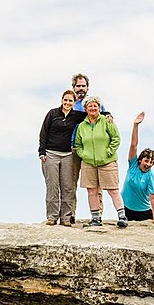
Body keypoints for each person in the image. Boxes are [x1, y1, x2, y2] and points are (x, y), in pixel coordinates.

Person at [74, 95, 128, 228]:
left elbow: (116, 138)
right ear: (86, 108)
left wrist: (108, 152)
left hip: (107, 162)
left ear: (99, 108)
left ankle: (122, 217)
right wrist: (83, 155)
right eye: (90, 106)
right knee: (92, 191)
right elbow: (78, 144)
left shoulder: (107, 121)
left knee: (113, 190)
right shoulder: (82, 126)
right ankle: (95, 219)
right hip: (88, 163)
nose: (93, 108)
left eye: (95, 106)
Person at [38, 90, 86, 226]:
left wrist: (107, 114)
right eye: (65, 100)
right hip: (50, 154)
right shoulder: (52, 113)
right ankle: (52, 217)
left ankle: (65, 218)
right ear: (62, 100)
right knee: (52, 187)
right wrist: (41, 151)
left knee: (68, 187)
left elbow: (92, 113)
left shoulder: (77, 116)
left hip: (68, 155)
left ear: (74, 102)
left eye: (70, 101)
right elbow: (43, 132)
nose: (67, 103)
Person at [70, 73, 113, 222]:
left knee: (96, 184)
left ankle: (98, 215)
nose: (81, 88)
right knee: (71, 182)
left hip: (94, 149)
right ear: (73, 87)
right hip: (74, 147)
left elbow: (107, 117)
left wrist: (109, 115)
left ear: (87, 87)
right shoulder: (70, 103)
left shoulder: (95, 104)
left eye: (83, 86)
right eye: (78, 86)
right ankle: (70, 215)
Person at [121, 112, 154, 225]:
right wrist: (135, 125)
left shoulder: (150, 176)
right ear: (140, 160)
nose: (148, 164)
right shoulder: (133, 165)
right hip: (126, 209)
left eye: (151, 162)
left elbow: (153, 197)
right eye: (146, 161)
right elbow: (134, 145)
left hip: (143, 212)